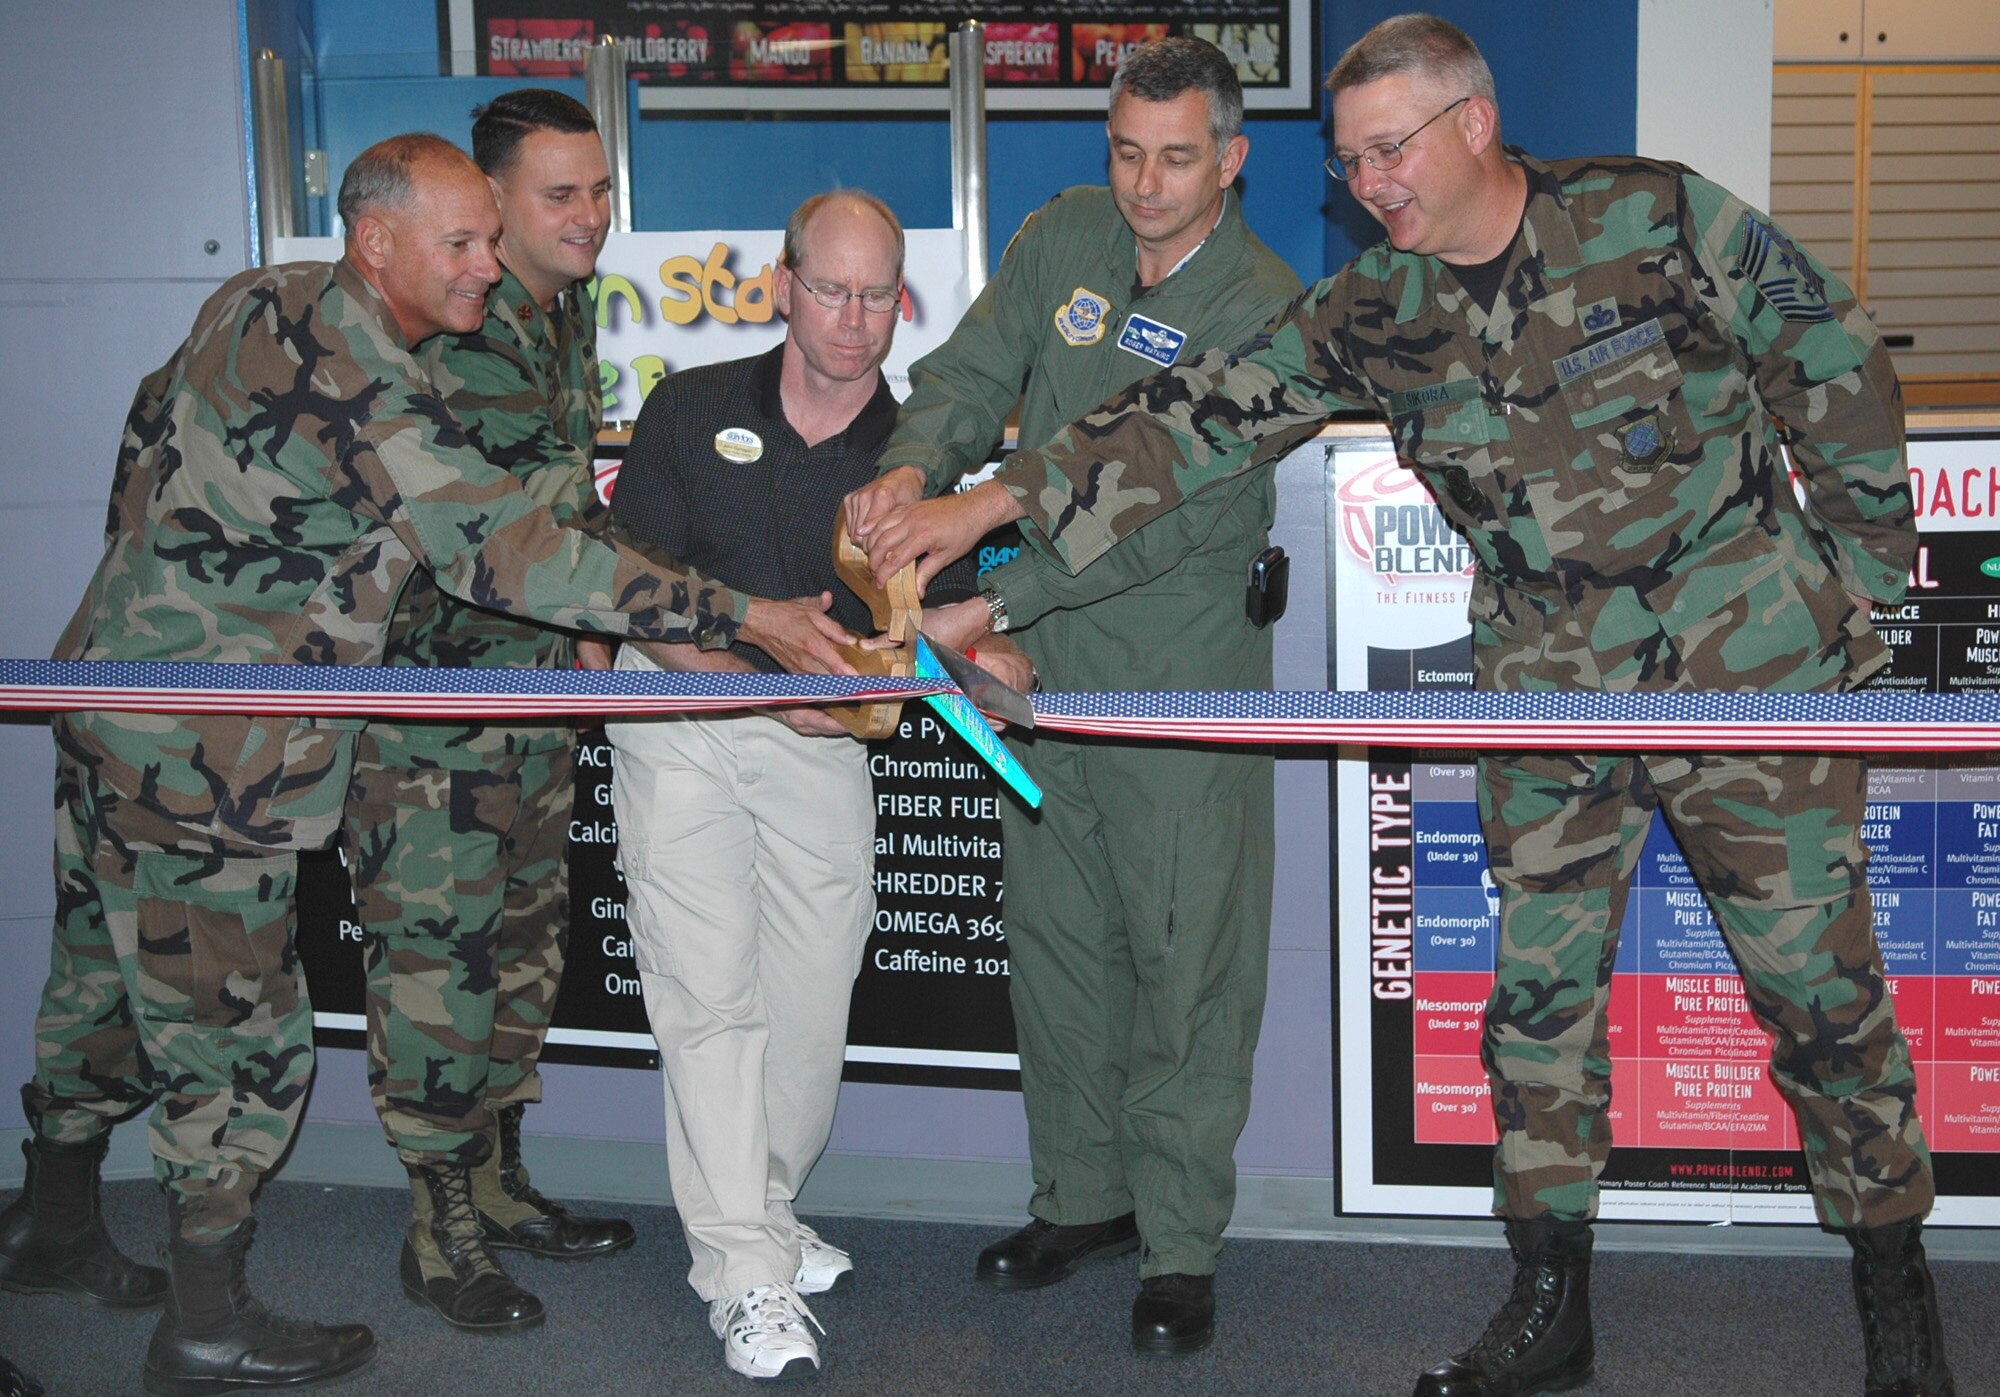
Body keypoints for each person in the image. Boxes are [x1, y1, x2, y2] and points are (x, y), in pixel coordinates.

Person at [852, 14, 1954, 1397]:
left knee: (1819, 996)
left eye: (1391, 150)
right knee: (1539, 1004)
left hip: (1746, 673)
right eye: (1352, 157)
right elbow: (1188, 418)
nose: (1370, 181)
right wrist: (991, 500)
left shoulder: (1650, 214)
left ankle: (1897, 1302)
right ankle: (1552, 1304)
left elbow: (1832, 353)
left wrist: (1860, 587)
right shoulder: (1377, 306)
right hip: (1547, 694)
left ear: (1473, 124)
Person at [6, 132, 853, 1396]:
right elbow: (495, 545)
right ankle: (205, 1319)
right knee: (238, 1033)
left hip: (117, 698)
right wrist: (741, 615)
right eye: (460, 242)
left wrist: (146, 603)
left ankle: (56, 1220)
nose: (483, 263)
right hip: (208, 750)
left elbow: (143, 436)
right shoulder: (356, 358)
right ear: (376, 242)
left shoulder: (252, 299)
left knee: (102, 974)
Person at [844, 36, 1303, 1356]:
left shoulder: (1264, 304)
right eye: (1126, 153)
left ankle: (1177, 1243)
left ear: (1231, 158)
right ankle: (1081, 1199)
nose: (1147, 186)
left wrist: (992, 597)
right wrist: (910, 468)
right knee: (1057, 945)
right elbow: (976, 373)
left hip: (1171, 671)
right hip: (1029, 674)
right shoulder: (1065, 237)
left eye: (1176, 159)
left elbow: (1175, 521)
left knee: (1183, 958)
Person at [601, 190, 1019, 1383]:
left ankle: (765, 1208)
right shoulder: (690, 407)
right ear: (783, 284)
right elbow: (634, 586)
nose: (852, 318)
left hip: (826, 736)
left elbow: (949, 610)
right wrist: (743, 677)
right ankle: (740, 1267)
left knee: (810, 992)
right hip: (680, 712)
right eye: (829, 289)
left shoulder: (912, 449)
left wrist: (970, 637)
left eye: (877, 294)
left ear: (903, 300)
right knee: (709, 993)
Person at [342, 91, 633, 1337]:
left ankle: (498, 1181)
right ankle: (437, 1226)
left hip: (526, 699)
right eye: (558, 195)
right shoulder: (451, 335)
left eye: (600, 191)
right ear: (492, 205)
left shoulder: (555, 323)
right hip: (436, 715)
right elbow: (529, 524)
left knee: (518, 952)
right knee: (435, 970)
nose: (588, 217)